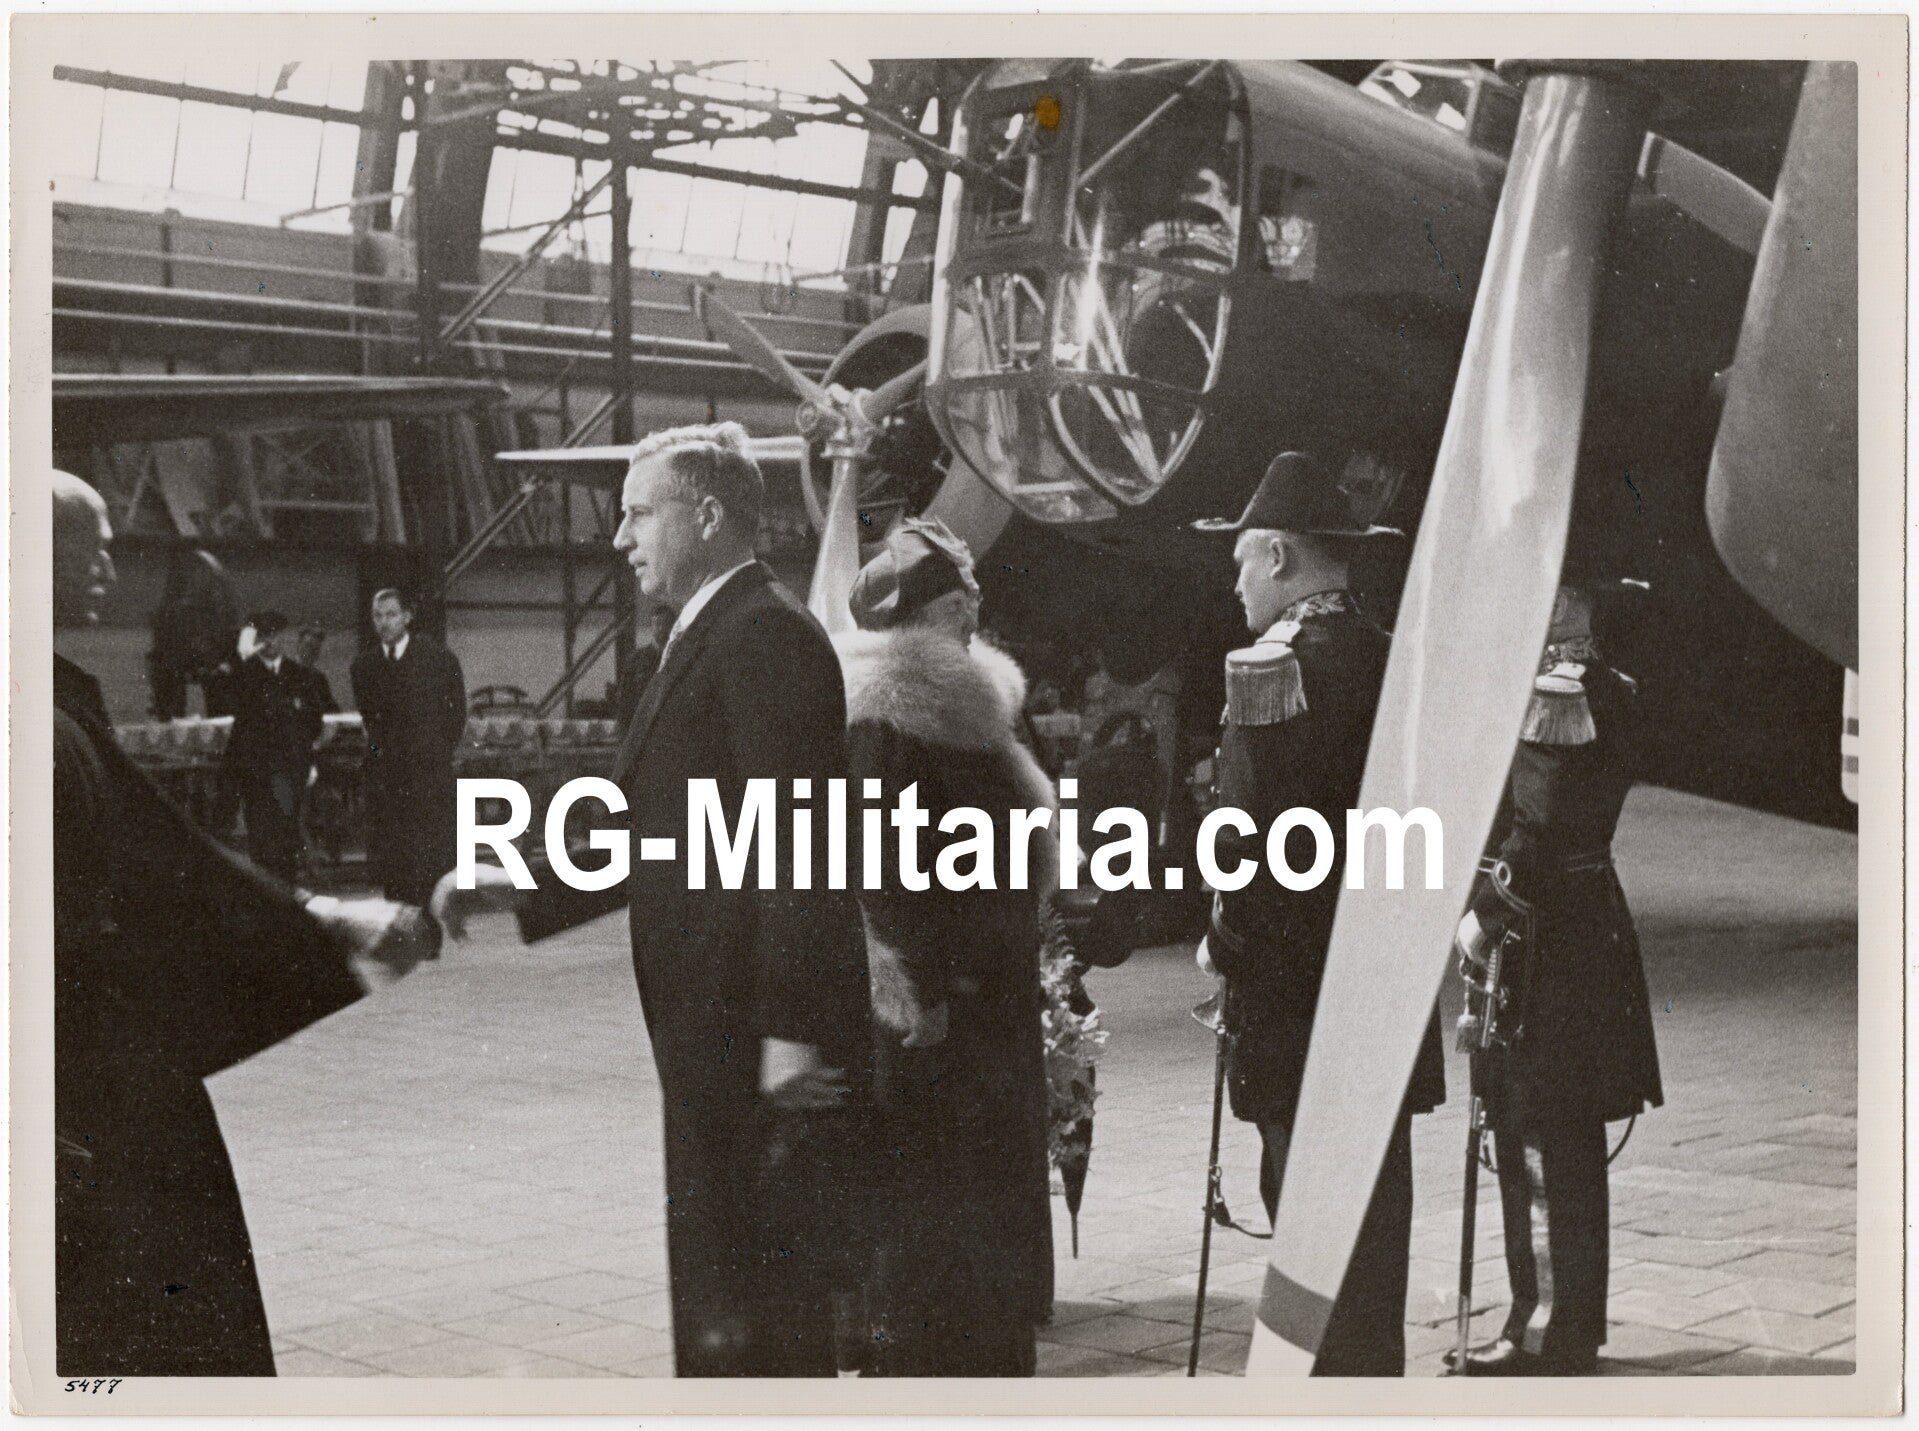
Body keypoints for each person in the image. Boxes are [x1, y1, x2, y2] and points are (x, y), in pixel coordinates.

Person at [434, 422, 873, 1377]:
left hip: (752, 1033)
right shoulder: (712, 632)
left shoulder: (764, 636)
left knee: (760, 1294)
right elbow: (659, 831)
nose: (620, 539)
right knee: (725, 1281)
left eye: (636, 514)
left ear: (706, 514)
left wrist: (793, 1029)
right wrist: (513, 879)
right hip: (711, 1030)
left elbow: (800, 843)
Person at [51, 470, 436, 1375]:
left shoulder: (55, 694)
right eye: (90, 545)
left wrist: (317, 913)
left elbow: (163, 851)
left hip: (105, 1069)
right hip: (77, 1086)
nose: (111, 565)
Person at [1191, 451, 1446, 1376]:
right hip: (1385, 985)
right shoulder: (1399, 660)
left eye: (1240, 565)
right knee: (1378, 1213)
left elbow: (1250, 853)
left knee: (1308, 1219)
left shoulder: (1274, 670)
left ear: (1279, 559)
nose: (1234, 587)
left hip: (1298, 1001)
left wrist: (1225, 949)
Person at [832, 518, 1055, 1376]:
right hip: (942, 1013)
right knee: (935, 1207)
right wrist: (916, 992)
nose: (974, 613)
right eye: (958, 601)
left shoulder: (968, 707)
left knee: (975, 1203)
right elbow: (877, 864)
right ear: (924, 617)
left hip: (982, 1000)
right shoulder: (896, 717)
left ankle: (983, 1365)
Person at [1452, 583, 1663, 1376]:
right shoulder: (1606, 685)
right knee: (1565, 1139)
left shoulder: (1553, 693)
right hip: (1585, 930)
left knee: (1534, 1132)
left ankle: (1542, 1328)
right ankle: (1571, 1319)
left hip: (1539, 941)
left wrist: (1482, 916)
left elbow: (1535, 833)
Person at [350, 588, 467, 907]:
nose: (384, 622)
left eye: (391, 614)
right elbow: (371, 721)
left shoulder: (438, 659)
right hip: (387, 776)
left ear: (407, 617)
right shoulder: (363, 667)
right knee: (393, 860)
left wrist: (434, 752)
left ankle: (428, 931)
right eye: (378, 616)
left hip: (426, 773)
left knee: (428, 856)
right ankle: (400, 931)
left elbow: (456, 714)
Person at [224, 610, 329, 883]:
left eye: (274, 635)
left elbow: (313, 722)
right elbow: (235, 715)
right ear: (256, 638)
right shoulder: (244, 674)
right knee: (261, 845)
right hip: (257, 775)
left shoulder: (298, 675)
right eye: (263, 636)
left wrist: (303, 761)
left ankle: (288, 902)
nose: (270, 642)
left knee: (286, 843)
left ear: (283, 637)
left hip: (289, 772)